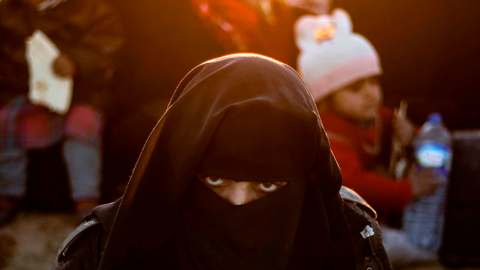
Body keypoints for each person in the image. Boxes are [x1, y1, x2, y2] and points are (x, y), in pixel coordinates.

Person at [52, 54, 392, 269]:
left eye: (267, 185)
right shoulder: (99, 251)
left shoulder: (351, 240)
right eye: (215, 181)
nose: (238, 203)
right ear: (176, 170)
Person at [295, 9, 440, 264]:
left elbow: (393, 122)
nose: (370, 94)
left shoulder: (370, 115)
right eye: (355, 88)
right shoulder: (328, 134)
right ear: (327, 97)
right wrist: (408, 189)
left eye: (373, 82)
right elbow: (354, 183)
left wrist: (411, 134)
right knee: (393, 247)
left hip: (369, 211)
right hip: (336, 217)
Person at [0, 0, 124, 224]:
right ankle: (9, 193)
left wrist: (75, 61)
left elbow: (104, 48)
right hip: (26, 91)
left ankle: (86, 201)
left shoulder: (91, 9)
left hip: (83, 92)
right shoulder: (9, 12)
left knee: (82, 128)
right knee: (5, 123)